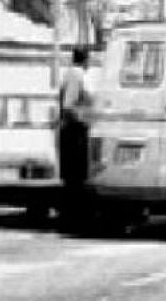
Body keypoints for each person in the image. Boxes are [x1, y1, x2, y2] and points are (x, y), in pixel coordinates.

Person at [56, 46, 93, 227]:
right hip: (74, 131)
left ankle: (72, 214)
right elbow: (69, 105)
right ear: (86, 58)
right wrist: (84, 123)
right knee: (75, 176)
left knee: (75, 176)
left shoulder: (73, 74)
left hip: (73, 129)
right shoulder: (76, 75)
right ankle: (71, 217)